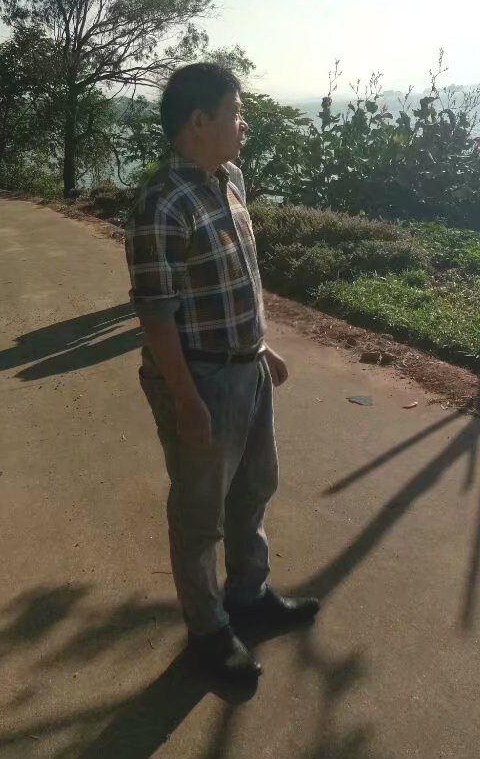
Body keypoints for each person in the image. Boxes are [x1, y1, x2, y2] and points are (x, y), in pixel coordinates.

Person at [125, 62, 319, 684]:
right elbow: (156, 314)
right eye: (235, 113)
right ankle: (208, 629)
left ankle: (248, 596)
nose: (244, 123)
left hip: (247, 367)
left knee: (254, 487)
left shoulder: (228, 178)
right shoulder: (160, 202)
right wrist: (185, 399)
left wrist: (263, 348)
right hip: (200, 380)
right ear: (199, 121)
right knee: (200, 513)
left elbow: (236, 281)